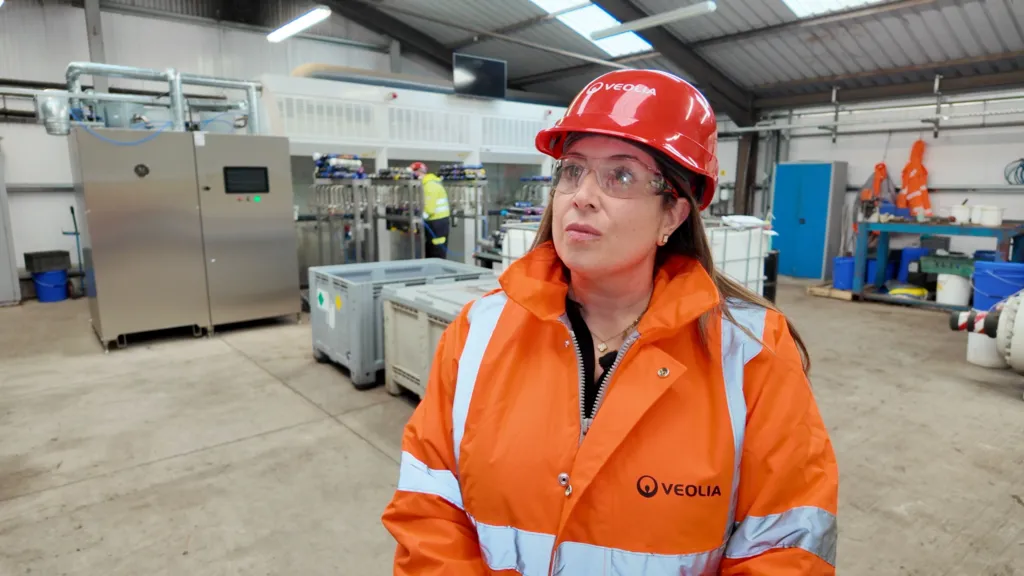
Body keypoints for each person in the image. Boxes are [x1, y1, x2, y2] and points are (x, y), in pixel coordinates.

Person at [383, 69, 838, 575]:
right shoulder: (479, 330)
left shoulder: (752, 352)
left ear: (673, 215)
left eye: (620, 175)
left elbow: (787, 548)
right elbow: (428, 504)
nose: (582, 195)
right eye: (573, 171)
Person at [411, 162, 451, 258]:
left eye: (413, 173)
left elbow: (429, 209)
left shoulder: (430, 186)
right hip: (435, 222)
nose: (413, 176)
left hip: (437, 224)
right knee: (430, 249)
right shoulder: (427, 184)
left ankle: (439, 272)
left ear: (420, 172)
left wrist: (419, 218)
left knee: (436, 252)